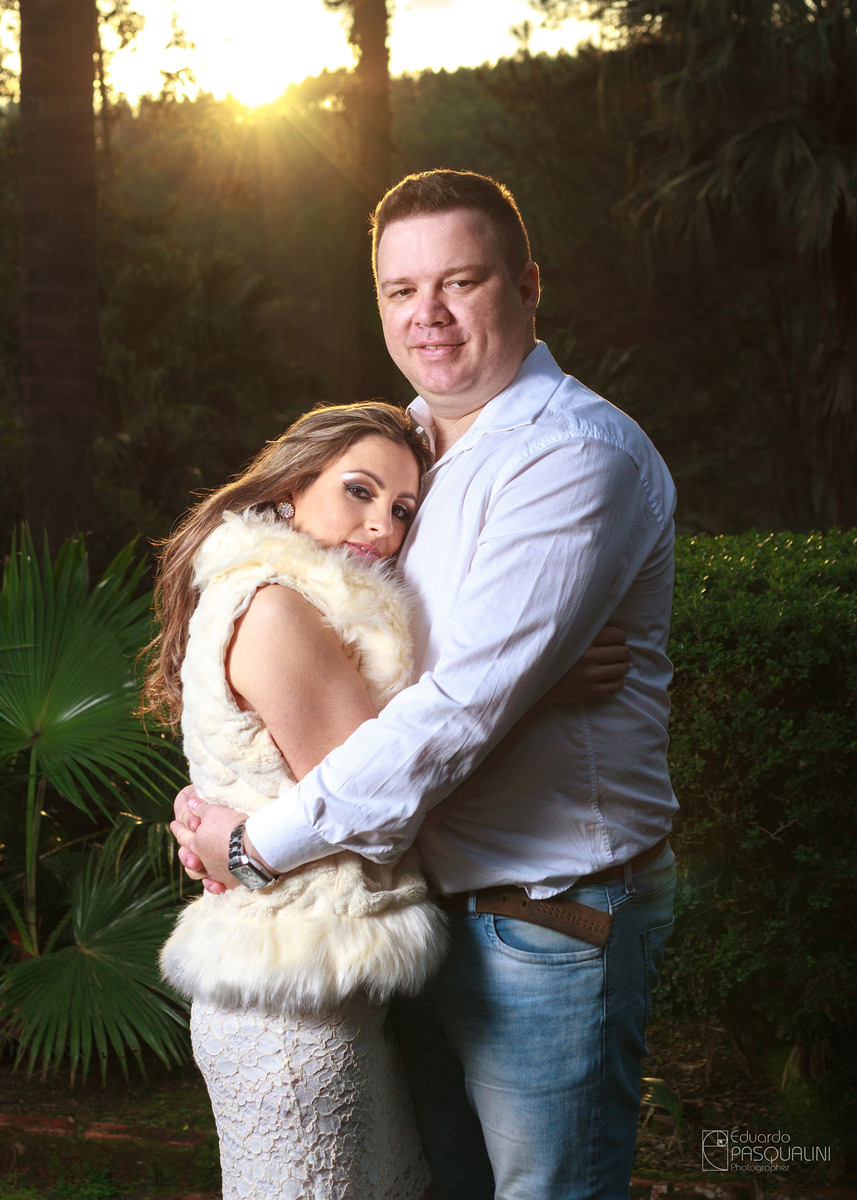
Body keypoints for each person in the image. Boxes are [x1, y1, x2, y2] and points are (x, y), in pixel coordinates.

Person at [173, 169, 678, 1200]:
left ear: (527, 286)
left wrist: (256, 846)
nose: (428, 316)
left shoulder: (570, 456)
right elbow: (328, 648)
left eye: (460, 282)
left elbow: (455, 711)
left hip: (542, 917)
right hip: (409, 910)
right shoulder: (397, 451)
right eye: (401, 290)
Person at [143, 402, 445, 1200]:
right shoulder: (277, 608)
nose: (381, 524)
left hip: (316, 988)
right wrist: (545, 699)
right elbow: (383, 801)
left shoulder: (270, 597)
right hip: (291, 1013)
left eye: (402, 508)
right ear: (289, 490)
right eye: (359, 490)